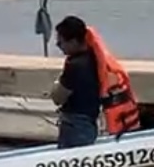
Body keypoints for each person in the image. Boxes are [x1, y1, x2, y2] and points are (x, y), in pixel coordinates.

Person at [50, 15, 140, 148]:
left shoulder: (75, 65)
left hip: (75, 126)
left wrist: (56, 84)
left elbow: (58, 97)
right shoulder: (95, 58)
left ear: (74, 41)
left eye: (60, 42)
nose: (59, 46)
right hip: (90, 123)